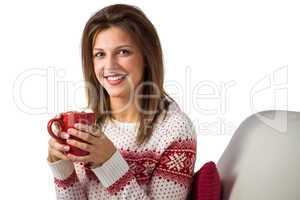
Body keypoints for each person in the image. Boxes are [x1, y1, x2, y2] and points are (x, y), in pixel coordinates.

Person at [47, 3, 197, 199]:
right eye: (100, 54)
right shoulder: (90, 125)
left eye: (123, 52)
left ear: (146, 57)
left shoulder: (175, 130)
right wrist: (62, 169)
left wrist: (110, 162)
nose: (109, 66)